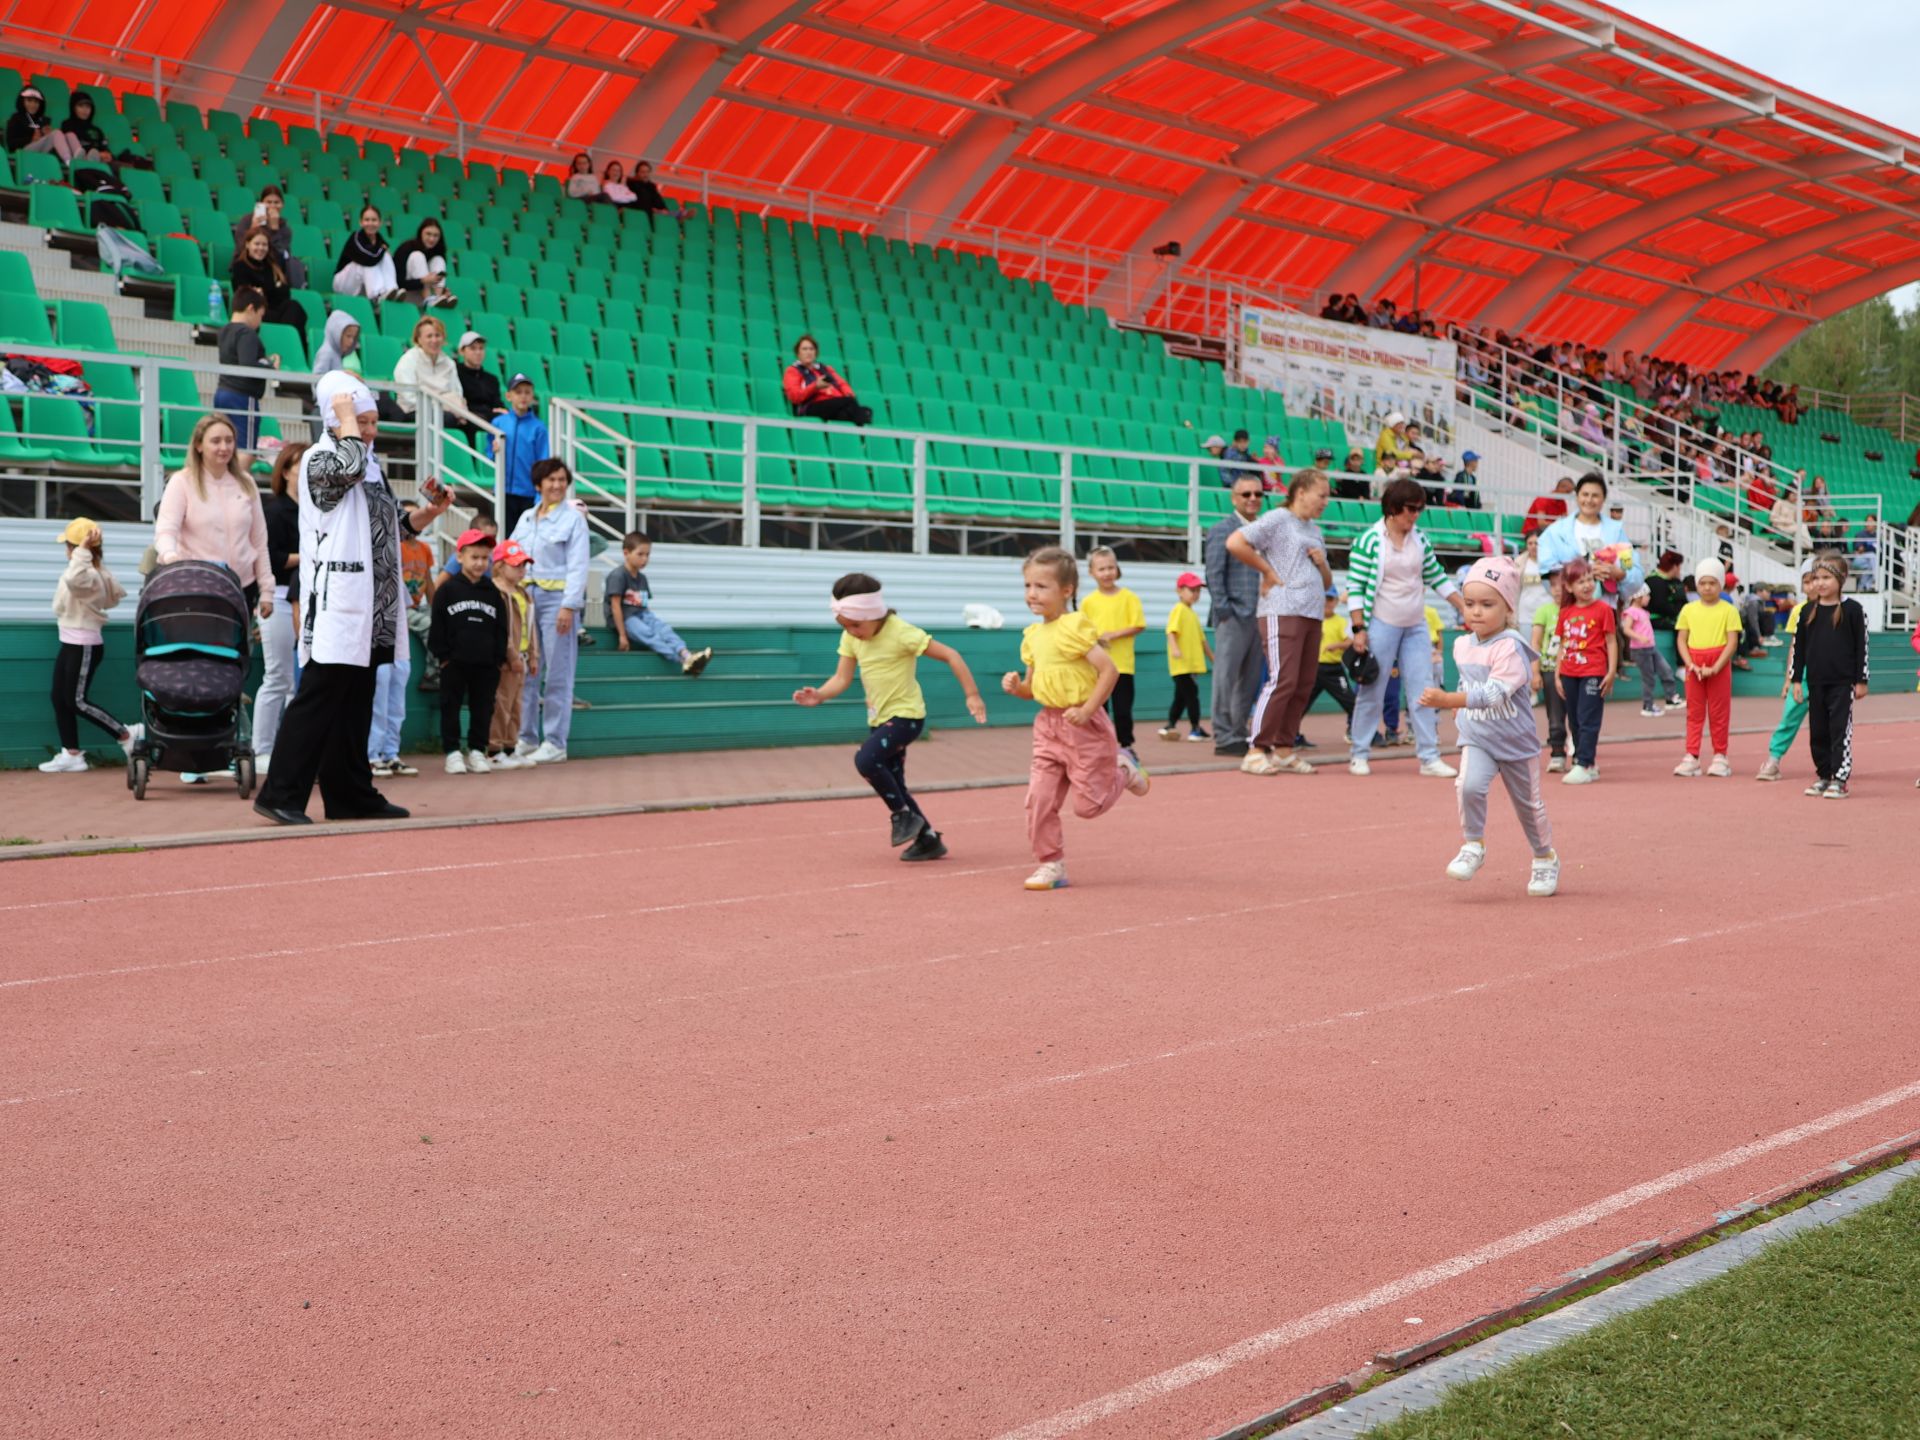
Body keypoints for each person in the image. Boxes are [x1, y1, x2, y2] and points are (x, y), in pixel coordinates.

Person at [253, 373, 454, 825]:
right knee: (320, 695)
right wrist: (343, 418)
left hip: (375, 600)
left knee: (355, 699)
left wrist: (425, 515)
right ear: (333, 416)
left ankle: (350, 794)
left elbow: (383, 529)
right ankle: (280, 792)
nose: (367, 430)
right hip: (338, 598)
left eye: (371, 422)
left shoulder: (367, 460)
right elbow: (340, 479)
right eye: (359, 420)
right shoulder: (322, 457)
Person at [793, 572, 987, 862]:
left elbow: (951, 655)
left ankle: (902, 816)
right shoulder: (851, 636)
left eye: (856, 625)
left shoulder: (901, 632)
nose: (852, 631)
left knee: (866, 760)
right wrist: (820, 695)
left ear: (874, 614)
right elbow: (842, 677)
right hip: (878, 719)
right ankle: (928, 839)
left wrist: (972, 694)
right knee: (894, 781)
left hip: (906, 717)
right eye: (845, 626)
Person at [1000, 546, 1150, 892]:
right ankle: (1050, 863)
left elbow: (1108, 670)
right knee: (1039, 799)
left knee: (1088, 807)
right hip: (1048, 728)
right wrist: (1017, 687)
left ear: (1066, 591)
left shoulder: (1074, 626)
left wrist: (1086, 710)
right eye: (1027, 586)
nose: (1031, 594)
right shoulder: (1032, 637)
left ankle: (1122, 770)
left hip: (1085, 727)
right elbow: (1034, 687)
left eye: (1041, 586)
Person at [1419, 556, 1558, 898]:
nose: (1476, 612)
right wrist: (1459, 711)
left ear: (1508, 607)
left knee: (1528, 806)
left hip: (1515, 741)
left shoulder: (1511, 647)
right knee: (1467, 785)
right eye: (1469, 604)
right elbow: (1470, 684)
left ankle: (1544, 858)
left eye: (1487, 604)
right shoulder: (1461, 645)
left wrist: (1449, 701)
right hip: (1478, 736)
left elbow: (1494, 693)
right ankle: (1473, 844)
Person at [1345, 477, 1465, 778]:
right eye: (1410, 509)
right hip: (1381, 624)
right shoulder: (1369, 541)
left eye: (1419, 510)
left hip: (1415, 624)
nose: (1415, 515)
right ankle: (1359, 752)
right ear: (1393, 508)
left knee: (1424, 689)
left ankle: (1429, 756)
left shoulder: (1420, 539)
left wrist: (1463, 605)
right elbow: (1355, 587)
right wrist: (1359, 628)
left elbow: (1436, 575)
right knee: (1372, 687)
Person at [1231, 465, 1332, 775]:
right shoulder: (1278, 519)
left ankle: (1284, 749)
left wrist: (1322, 563)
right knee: (1282, 679)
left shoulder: (1314, 530)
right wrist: (1267, 571)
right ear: (1300, 492)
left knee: (1302, 683)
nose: (1325, 502)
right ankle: (1256, 749)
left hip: (1312, 611)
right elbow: (1236, 542)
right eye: (1321, 495)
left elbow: (1326, 582)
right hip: (1282, 609)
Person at [40, 518, 141, 773]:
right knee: (59, 698)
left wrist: (83, 550)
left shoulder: (89, 575)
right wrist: (84, 552)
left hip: (83, 643)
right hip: (71, 641)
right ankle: (71, 754)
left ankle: (126, 734)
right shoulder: (89, 571)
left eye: (69, 546)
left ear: (78, 549)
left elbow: (75, 579)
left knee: (76, 701)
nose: (66, 551)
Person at [508, 458, 590, 764]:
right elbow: (512, 553)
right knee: (528, 668)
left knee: (557, 671)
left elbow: (579, 564)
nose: (557, 485)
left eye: (561, 480)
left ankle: (555, 741)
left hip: (556, 600)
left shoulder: (573, 519)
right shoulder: (528, 517)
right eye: (551, 480)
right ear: (538, 484)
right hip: (526, 599)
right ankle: (526, 737)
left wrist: (569, 605)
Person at [154, 413, 275, 616]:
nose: (224, 447)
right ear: (199, 446)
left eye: (229, 441)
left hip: (242, 586)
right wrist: (170, 555)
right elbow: (166, 530)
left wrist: (267, 591)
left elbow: (259, 541)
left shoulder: (246, 482)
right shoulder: (181, 481)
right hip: (198, 587)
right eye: (216, 441)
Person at [1789, 553, 1869, 799]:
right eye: (1816, 578)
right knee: (1818, 731)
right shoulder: (1806, 612)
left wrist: (1861, 680)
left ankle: (1840, 777)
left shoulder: (1853, 610)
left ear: (1841, 578)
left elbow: (1862, 647)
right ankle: (1824, 775)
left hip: (1843, 683)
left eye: (1826, 577)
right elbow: (1798, 649)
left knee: (1839, 730)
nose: (1820, 583)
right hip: (1815, 682)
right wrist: (1795, 680)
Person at [429, 528, 507, 775]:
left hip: (486, 664)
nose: (480, 563)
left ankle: (476, 750)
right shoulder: (448, 590)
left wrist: (498, 659)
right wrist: (443, 657)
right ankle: (452, 752)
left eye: (485, 558)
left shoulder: (493, 593)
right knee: (450, 705)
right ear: (460, 557)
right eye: (474, 557)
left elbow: (501, 628)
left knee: (483, 707)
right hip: (454, 662)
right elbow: (438, 624)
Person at [366, 497, 431, 777]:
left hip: (398, 639)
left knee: (397, 691)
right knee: (378, 692)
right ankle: (371, 754)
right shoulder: (371, 556)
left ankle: (391, 752)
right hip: (375, 639)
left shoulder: (409, 556)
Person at [254, 442, 306, 773]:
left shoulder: (321, 510)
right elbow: (270, 559)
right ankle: (262, 750)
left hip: (310, 598)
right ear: (285, 471)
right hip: (280, 595)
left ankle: (291, 749)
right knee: (278, 676)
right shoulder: (274, 510)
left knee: (300, 685)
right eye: (302, 465)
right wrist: (315, 556)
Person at [1203, 475, 1264, 756]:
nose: (1252, 498)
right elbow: (1214, 573)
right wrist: (1224, 609)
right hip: (1234, 615)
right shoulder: (1221, 530)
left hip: (1260, 614)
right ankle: (1224, 735)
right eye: (1246, 494)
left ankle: (1238, 731)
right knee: (1226, 677)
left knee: (1250, 679)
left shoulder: (1264, 531)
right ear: (1234, 498)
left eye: (1257, 494)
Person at [607, 530, 713, 674]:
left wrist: (652, 620)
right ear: (626, 553)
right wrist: (622, 635)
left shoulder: (642, 578)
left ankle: (687, 654)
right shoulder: (618, 576)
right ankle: (682, 661)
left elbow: (644, 605)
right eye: (640, 554)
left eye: (647, 555)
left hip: (642, 614)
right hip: (626, 619)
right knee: (649, 634)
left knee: (664, 630)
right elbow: (615, 606)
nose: (644, 559)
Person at [1673, 556, 1741, 779]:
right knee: (1694, 712)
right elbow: (1682, 639)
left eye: (1712, 582)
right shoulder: (1688, 610)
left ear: (1720, 584)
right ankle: (1691, 755)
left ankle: (1720, 755)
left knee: (1719, 711)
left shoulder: (1728, 610)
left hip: (1718, 663)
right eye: (1703, 583)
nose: (1707, 587)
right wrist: (1689, 663)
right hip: (1695, 664)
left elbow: (1732, 642)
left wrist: (1717, 666)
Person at [1552, 559, 1616, 786]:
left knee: (1589, 717)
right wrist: (1557, 674)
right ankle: (1586, 761)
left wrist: (1611, 671)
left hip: (1594, 671)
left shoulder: (1604, 610)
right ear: (1569, 587)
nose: (1587, 585)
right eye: (1580, 582)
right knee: (1575, 720)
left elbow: (1611, 641)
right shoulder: (1566, 612)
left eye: (1589, 579)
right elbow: (1563, 644)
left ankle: (1584, 763)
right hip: (1570, 671)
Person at [1536, 472, 1643, 600]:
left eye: (1595, 496)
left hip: (1606, 608)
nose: (1589, 500)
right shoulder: (1556, 531)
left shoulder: (1616, 531)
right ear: (1577, 497)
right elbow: (1547, 570)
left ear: (1603, 499)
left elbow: (1634, 571)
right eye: (1585, 494)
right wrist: (1586, 571)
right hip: (1571, 608)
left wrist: (1620, 574)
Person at [1080, 546, 1145, 754]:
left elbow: (1138, 625)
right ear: (1092, 572)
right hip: (1097, 668)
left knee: (1122, 709)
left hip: (1122, 666)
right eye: (1101, 569)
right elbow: (1082, 630)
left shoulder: (1129, 597)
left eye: (1111, 567)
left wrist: (1112, 635)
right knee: (1099, 709)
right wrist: (1095, 639)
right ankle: (1103, 747)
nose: (1107, 573)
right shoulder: (1088, 601)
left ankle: (1126, 746)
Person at [1756, 570, 1814, 783]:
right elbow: (1794, 646)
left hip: (1828, 674)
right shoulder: (1798, 610)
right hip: (1803, 674)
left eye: (1813, 581)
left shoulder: (1839, 609)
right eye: (1805, 582)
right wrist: (1790, 678)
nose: (1810, 586)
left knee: (1827, 723)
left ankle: (1832, 767)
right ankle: (1773, 760)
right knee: (1789, 717)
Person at [486, 539, 538, 770]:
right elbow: (501, 629)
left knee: (517, 705)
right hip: (506, 660)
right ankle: (494, 750)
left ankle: (510, 747)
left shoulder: (524, 594)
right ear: (499, 565)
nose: (521, 570)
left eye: (523, 565)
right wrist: (511, 655)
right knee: (501, 704)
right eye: (516, 565)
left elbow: (531, 627)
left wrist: (533, 655)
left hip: (523, 658)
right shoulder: (494, 592)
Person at [213, 287, 279, 450]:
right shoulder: (246, 333)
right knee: (246, 450)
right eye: (260, 315)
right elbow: (248, 366)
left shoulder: (225, 331)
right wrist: (270, 366)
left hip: (223, 392)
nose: (260, 322)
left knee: (226, 446)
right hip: (242, 396)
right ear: (251, 309)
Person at [492, 371, 548, 536]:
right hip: (503, 490)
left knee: (525, 536)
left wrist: (539, 492)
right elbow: (489, 451)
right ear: (508, 396)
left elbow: (543, 460)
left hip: (528, 492)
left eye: (527, 392)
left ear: (532, 396)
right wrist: (493, 451)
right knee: (504, 535)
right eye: (518, 392)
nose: (523, 396)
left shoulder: (539, 427)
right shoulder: (498, 423)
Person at [392, 315, 476, 423]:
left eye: (438, 335)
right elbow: (409, 397)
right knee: (449, 419)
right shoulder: (408, 360)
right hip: (414, 412)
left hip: (446, 410)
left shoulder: (449, 363)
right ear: (419, 339)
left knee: (474, 422)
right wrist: (442, 404)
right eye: (429, 336)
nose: (434, 340)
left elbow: (457, 392)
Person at [1158, 572, 1210, 741]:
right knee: (1191, 695)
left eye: (1198, 591)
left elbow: (1203, 641)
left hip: (1191, 665)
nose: (1195, 594)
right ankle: (1195, 729)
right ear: (1180, 590)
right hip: (1181, 665)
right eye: (1191, 590)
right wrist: (1174, 649)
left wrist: (1213, 657)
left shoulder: (1192, 614)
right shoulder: (1178, 610)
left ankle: (1170, 726)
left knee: (1180, 697)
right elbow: (1171, 632)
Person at [230, 226, 308, 334]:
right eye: (257, 244)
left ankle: (292, 344)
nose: (261, 248)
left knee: (294, 307)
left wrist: (264, 291)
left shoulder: (271, 266)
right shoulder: (240, 266)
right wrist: (273, 288)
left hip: (274, 309)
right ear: (248, 244)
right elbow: (246, 294)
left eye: (264, 245)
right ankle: (284, 339)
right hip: (255, 311)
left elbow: (285, 292)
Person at [784, 336, 872, 426]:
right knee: (851, 405)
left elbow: (842, 384)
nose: (808, 352)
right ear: (798, 353)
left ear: (816, 352)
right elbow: (795, 396)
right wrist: (815, 386)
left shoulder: (825, 369)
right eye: (804, 349)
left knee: (862, 411)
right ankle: (863, 435)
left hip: (834, 405)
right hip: (810, 407)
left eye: (811, 349)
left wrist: (848, 394)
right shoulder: (793, 371)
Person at [1621, 588, 1681, 718]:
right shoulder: (1631, 612)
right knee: (1648, 678)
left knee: (1665, 670)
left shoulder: (1644, 612)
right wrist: (1639, 637)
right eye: (1647, 595)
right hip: (1640, 650)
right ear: (1638, 597)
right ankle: (1648, 706)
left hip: (1651, 647)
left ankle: (1671, 697)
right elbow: (1626, 629)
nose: (1649, 598)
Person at [1529, 572, 1567, 773]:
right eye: (1553, 585)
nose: (1557, 589)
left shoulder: (1575, 609)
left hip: (1574, 669)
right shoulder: (1544, 611)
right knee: (1555, 713)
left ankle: (1582, 752)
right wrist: (1535, 672)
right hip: (1550, 669)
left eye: (1561, 585)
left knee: (1579, 713)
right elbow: (1535, 642)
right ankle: (1557, 751)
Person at [230, 187, 304, 286]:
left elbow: (278, 255)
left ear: (282, 205)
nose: (272, 206)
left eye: (276, 202)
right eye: (268, 202)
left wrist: (275, 230)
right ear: (261, 203)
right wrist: (253, 229)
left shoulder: (285, 229)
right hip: (246, 265)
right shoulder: (247, 220)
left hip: (272, 269)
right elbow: (240, 246)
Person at [1306, 588, 1355, 732]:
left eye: (1330, 599)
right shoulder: (1312, 621)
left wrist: (1337, 645)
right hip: (1314, 668)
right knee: (1300, 703)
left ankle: (1357, 731)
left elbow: (1350, 641)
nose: (1327, 603)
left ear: (1336, 602)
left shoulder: (1341, 621)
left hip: (1334, 669)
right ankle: (1292, 737)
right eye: (1324, 599)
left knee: (1351, 702)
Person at [332, 204, 400, 302]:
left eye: (374, 220)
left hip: (362, 287)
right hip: (343, 284)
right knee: (365, 261)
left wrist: (383, 251)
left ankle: (392, 291)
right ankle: (377, 295)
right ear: (361, 222)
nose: (370, 223)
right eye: (367, 220)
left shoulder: (381, 241)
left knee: (385, 256)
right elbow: (368, 259)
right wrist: (382, 250)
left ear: (380, 223)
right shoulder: (356, 237)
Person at [393, 218, 457, 309]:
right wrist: (423, 281)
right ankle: (429, 300)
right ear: (421, 233)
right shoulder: (406, 248)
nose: (432, 239)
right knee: (417, 256)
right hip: (405, 295)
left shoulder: (437, 252)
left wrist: (444, 291)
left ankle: (438, 298)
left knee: (439, 259)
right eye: (428, 234)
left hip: (421, 298)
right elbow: (399, 283)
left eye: (436, 236)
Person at [7, 86, 82, 162]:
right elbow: (11, 142)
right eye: (29, 100)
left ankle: (80, 159)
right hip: (23, 152)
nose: (33, 105)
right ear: (22, 101)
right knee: (56, 134)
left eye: (36, 102)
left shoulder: (43, 120)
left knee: (70, 135)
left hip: (42, 152)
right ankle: (69, 161)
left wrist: (47, 134)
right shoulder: (16, 118)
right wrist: (30, 139)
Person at [455, 331, 507, 440]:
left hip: (489, 417)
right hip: (468, 417)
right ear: (462, 351)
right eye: (473, 348)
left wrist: (503, 410)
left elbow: (497, 404)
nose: (478, 352)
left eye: (481, 348)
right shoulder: (455, 373)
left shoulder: (492, 379)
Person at [1644, 549, 1688, 667]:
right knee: (1681, 628)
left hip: (1671, 615)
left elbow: (1683, 601)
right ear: (1674, 567)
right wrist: (1677, 612)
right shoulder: (1654, 581)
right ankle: (1682, 664)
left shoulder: (1675, 581)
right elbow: (1660, 605)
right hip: (1654, 619)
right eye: (1679, 567)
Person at [61, 92, 120, 165]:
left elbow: (104, 147)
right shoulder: (67, 124)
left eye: (88, 107)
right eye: (81, 106)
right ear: (73, 107)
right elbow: (72, 146)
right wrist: (98, 153)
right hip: (81, 159)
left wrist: (109, 156)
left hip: (101, 161)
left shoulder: (97, 130)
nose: (85, 110)